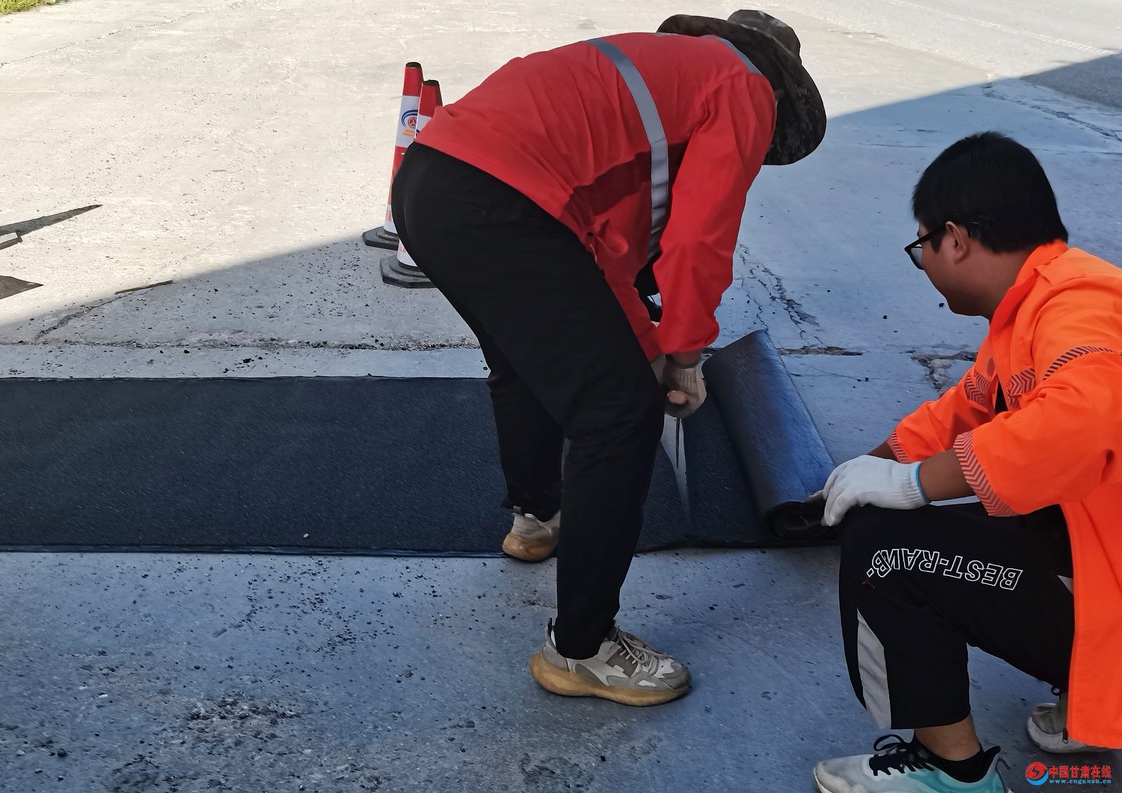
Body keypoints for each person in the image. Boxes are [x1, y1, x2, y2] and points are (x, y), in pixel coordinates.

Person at [390, 11, 825, 705]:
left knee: (524, 364)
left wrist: (650, 348)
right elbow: (698, 241)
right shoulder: (744, 88)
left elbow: (600, 254)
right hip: (502, 205)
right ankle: (583, 649)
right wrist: (684, 355)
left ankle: (535, 519)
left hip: (431, 183)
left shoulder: (657, 76)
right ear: (779, 85)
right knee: (620, 417)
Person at [813, 132, 1121, 793]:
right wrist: (862, 471)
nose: (923, 262)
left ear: (953, 239)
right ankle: (1093, 693)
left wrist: (910, 483)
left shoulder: (1080, 305)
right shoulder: (1036, 304)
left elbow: (1080, 421)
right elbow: (964, 410)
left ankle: (952, 773)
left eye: (920, 246)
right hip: (1107, 562)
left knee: (885, 549)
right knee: (985, 506)